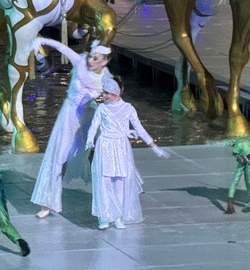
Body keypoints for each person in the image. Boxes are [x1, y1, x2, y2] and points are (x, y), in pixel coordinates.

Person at [30, 38, 111, 218]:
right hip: (69, 117)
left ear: (104, 62)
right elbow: (61, 47)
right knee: (60, 156)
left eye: (96, 59)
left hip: (88, 116)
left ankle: (107, 197)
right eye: (91, 57)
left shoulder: (105, 76)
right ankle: (48, 202)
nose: (91, 61)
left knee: (99, 153)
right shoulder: (80, 61)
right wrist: (39, 41)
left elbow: (114, 94)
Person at [85, 76, 168, 230]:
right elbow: (94, 126)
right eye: (104, 92)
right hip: (105, 146)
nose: (104, 95)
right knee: (104, 181)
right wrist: (90, 139)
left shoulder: (128, 108)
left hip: (121, 147)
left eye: (107, 93)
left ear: (115, 93)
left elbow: (139, 129)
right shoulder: (102, 108)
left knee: (120, 182)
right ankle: (104, 216)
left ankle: (118, 216)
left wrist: (154, 146)